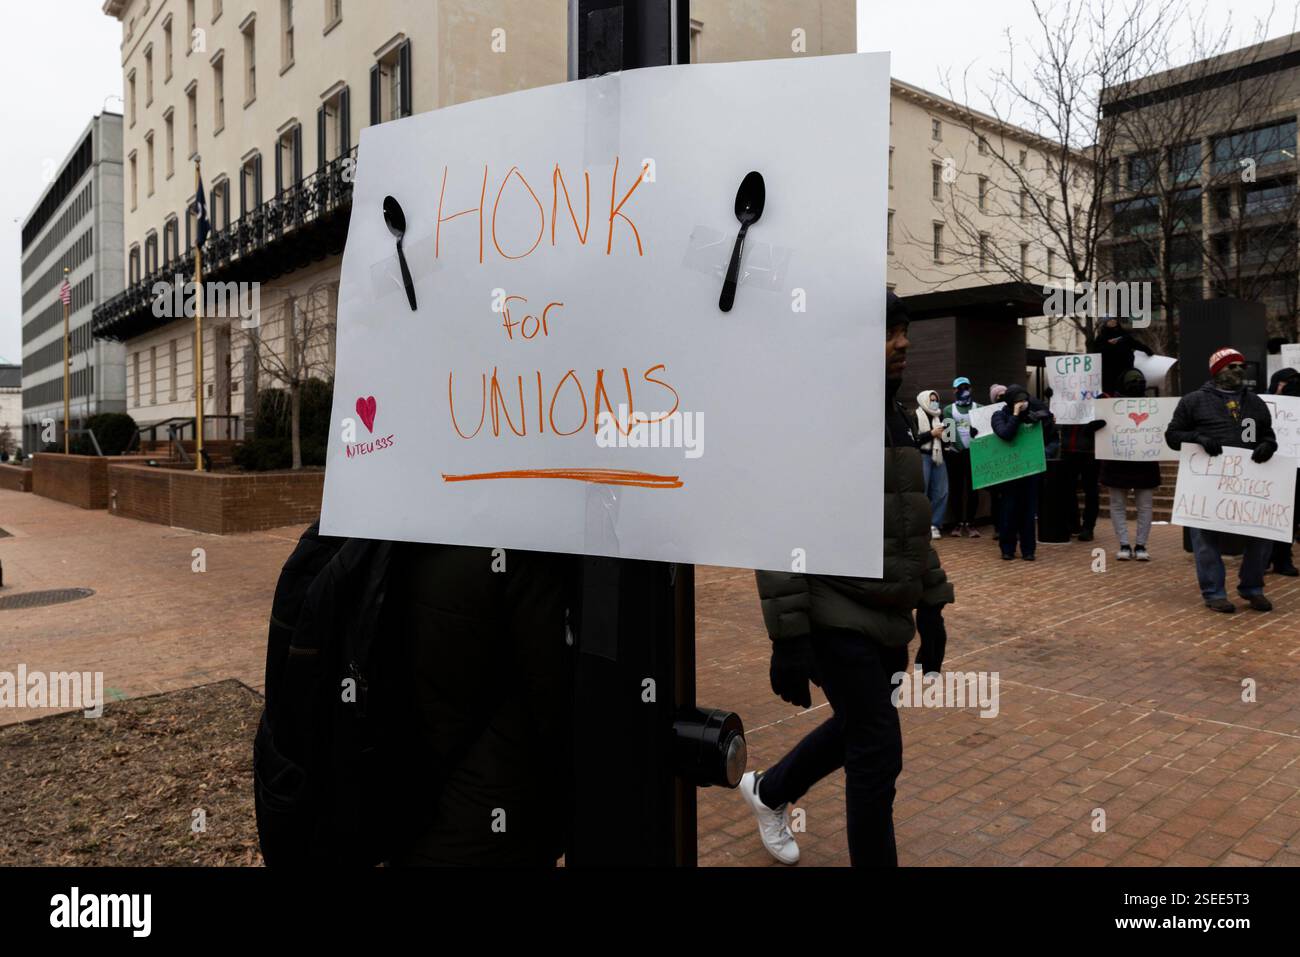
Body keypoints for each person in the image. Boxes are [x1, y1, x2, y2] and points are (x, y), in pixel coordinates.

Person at [742, 291, 953, 867]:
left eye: (904, 329)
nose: (902, 341)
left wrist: (932, 604)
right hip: (831, 609)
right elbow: (778, 519)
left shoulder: (895, 414)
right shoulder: (815, 412)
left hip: (886, 615)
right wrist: (789, 636)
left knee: (858, 729)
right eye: (888, 330)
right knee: (877, 749)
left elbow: (909, 521)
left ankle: (770, 790)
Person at [379, 545, 579, 866]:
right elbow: (556, 700)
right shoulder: (528, 549)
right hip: (493, 823)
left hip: (406, 806)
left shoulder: (383, 538)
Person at [1165, 347, 1278, 614]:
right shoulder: (1193, 401)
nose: (1239, 370)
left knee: (1262, 536)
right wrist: (1199, 438)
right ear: (1217, 371)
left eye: (1241, 366)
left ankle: (1252, 588)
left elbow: (1269, 435)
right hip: (1208, 483)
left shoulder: (1256, 403)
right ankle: (1214, 592)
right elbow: (1172, 436)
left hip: (1250, 482)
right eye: (1232, 366)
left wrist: (1268, 446)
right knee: (1205, 539)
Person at [1100, 369, 1160, 561]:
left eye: (1139, 381)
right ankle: (1124, 544)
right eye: (1133, 381)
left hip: (1144, 461)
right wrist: (1095, 428)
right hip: (1118, 460)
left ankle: (1141, 544)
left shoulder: (1153, 406)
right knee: (1120, 505)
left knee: (1144, 505)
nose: (1136, 384)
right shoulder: (1107, 404)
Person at [991, 384, 1057, 561]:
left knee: (1028, 513)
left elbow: (1050, 437)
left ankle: (1028, 550)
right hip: (1010, 474)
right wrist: (1015, 415)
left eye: (1024, 400)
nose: (1023, 403)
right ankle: (1007, 548)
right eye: (1018, 400)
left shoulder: (1034, 414)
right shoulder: (999, 415)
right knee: (1009, 512)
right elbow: (1005, 434)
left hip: (1030, 472)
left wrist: (1044, 421)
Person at [1267, 366, 1300, 577]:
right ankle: (1265, 557)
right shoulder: (1264, 404)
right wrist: (1276, 397)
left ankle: (1282, 557)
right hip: (1273, 467)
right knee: (1271, 515)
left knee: (1292, 516)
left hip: (1297, 468)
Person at [942, 377, 981, 538]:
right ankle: (958, 523)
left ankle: (971, 523)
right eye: (959, 388)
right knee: (956, 489)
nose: (962, 390)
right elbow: (949, 434)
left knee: (973, 489)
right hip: (955, 454)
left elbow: (984, 429)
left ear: (970, 389)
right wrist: (962, 449)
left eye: (965, 387)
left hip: (974, 453)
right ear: (954, 390)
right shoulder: (948, 410)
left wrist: (976, 434)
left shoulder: (979, 408)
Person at [1089, 315, 1155, 395]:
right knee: (1110, 389)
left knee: (1126, 387)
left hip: (1125, 367)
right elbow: (1096, 351)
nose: (1113, 321)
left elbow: (1134, 343)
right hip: (1109, 369)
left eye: (1114, 320)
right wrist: (1109, 344)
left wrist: (1147, 350)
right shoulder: (1102, 337)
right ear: (1105, 323)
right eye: (1110, 321)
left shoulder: (1123, 334)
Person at [915, 389, 949, 539]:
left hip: (939, 456)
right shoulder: (915, 416)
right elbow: (914, 439)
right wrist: (931, 434)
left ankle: (934, 524)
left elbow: (950, 440)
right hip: (923, 455)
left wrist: (945, 435)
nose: (935, 403)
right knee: (923, 491)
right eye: (932, 400)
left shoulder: (941, 416)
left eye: (936, 400)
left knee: (942, 492)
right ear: (924, 401)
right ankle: (921, 525)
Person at [987, 384, 1008, 540]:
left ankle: (1010, 527)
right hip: (994, 460)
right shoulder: (986, 414)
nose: (1002, 397)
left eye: (1004, 394)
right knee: (996, 498)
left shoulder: (1013, 412)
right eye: (999, 395)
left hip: (1010, 460)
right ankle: (998, 527)